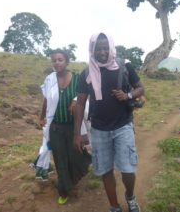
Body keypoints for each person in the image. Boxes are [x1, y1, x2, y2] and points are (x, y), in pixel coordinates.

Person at [74, 32, 144, 212]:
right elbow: (80, 103)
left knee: (128, 169)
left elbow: (141, 88)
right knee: (105, 170)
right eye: (98, 48)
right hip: (98, 129)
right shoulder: (87, 73)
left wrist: (127, 95)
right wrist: (78, 134)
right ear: (92, 49)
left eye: (105, 48)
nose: (102, 52)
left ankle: (130, 195)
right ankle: (114, 207)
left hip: (123, 125)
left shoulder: (124, 65)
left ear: (111, 47)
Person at [39, 49, 91, 205]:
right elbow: (46, 100)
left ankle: (74, 178)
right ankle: (65, 189)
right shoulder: (49, 79)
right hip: (55, 127)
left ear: (67, 62)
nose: (57, 63)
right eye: (54, 60)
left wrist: (76, 100)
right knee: (60, 160)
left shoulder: (77, 79)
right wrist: (41, 116)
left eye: (60, 60)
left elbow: (85, 97)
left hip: (73, 127)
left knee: (75, 156)